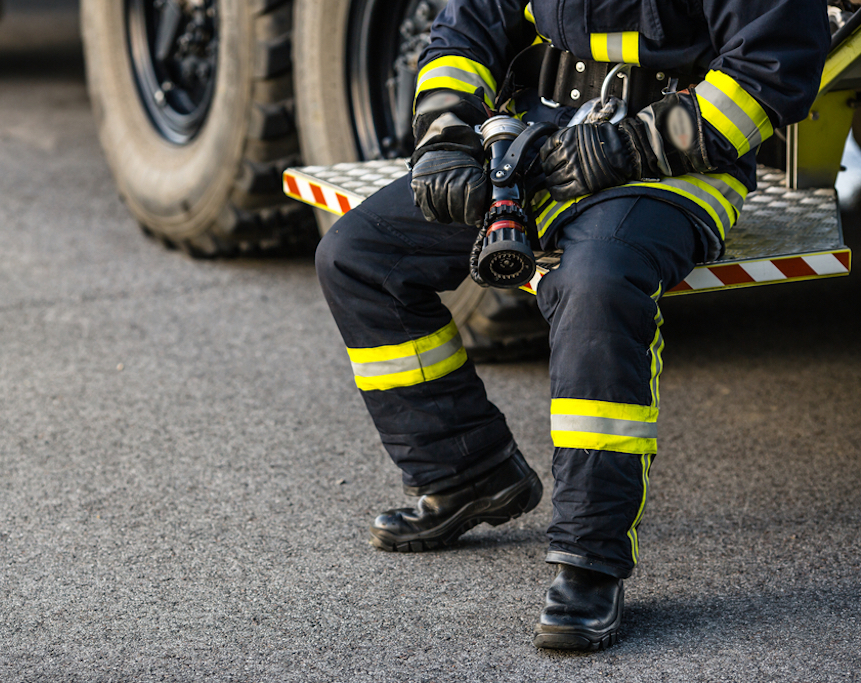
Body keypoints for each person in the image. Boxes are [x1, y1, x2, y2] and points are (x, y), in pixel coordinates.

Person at [315, 0, 829, 650]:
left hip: (675, 160)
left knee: (596, 283)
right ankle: (467, 473)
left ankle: (591, 559)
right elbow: (463, 30)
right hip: (539, 137)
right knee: (359, 256)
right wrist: (446, 137)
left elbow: (773, 69)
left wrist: (631, 145)